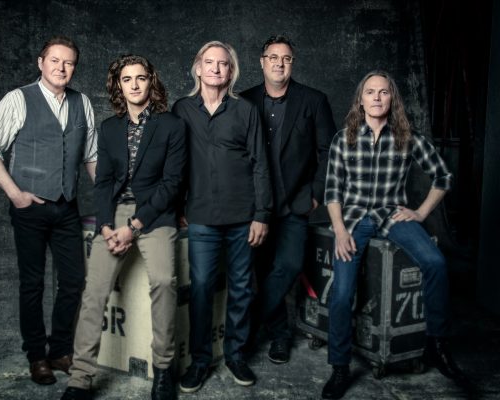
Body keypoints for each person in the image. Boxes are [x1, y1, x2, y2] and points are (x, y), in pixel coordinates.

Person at [322, 70, 468, 399]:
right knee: (342, 293)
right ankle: (340, 366)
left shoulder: (407, 137)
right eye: (370, 92)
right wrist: (340, 231)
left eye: (383, 92)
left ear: (392, 99)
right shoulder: (344, 138)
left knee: (436, 263)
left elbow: (443, 177)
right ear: (360, 100)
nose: (376, 97)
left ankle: (437, 345)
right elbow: (332, 192)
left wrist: (421, 213)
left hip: (393, 215)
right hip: (355, 218)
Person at [60, 54, 186, 400]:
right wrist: (104, 226)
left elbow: (172, 184)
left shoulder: (171, 125)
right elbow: (102, 183)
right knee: (94, 291)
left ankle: (163, 368)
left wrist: (135, 225)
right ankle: (80, 377)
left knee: (164, 281)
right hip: (114, 213)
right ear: (118, 85)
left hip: (155, 214)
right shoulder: (109, 128)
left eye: (140, 78)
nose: (134, 85)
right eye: (126, 79)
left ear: (151, 81)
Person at [0, 35, 97, 385]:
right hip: (29, 208)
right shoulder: (18, 98)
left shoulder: (82, 102)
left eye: (69, 62)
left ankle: (59, 350)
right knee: (32, 283)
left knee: (73, 281)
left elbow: (91, 156)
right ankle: (36, 356)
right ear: (41, 63)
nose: (61, 67)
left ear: (74, 68)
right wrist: (15, 194)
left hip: (67, 207)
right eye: (55, 60)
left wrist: (109, 197)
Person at [172, 41, 272, 392]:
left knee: (242, 287)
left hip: (243, 216)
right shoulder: (182, 109)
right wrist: (177, 207)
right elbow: (175, 163)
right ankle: (200, 361)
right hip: (200, 216)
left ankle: (236, 355)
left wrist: (262, 214)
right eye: (209, 62)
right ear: (198, 68)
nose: (216, 68)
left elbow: (261, 164)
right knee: (201, 288)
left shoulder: (245, 110)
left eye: (223, 63)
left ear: (231, 72)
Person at [240, 35, 336, 364]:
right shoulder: (244, 100)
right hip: (256, 205)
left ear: (292, 63)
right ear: (262, 62)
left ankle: (246, 324)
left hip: (296, 201)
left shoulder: (314, 100)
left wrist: (316, 194)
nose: (279, 63)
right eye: (273, 57)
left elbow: (329, 152)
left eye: (286, 58)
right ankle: (280, 335)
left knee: (290, 265)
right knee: (264, 270)